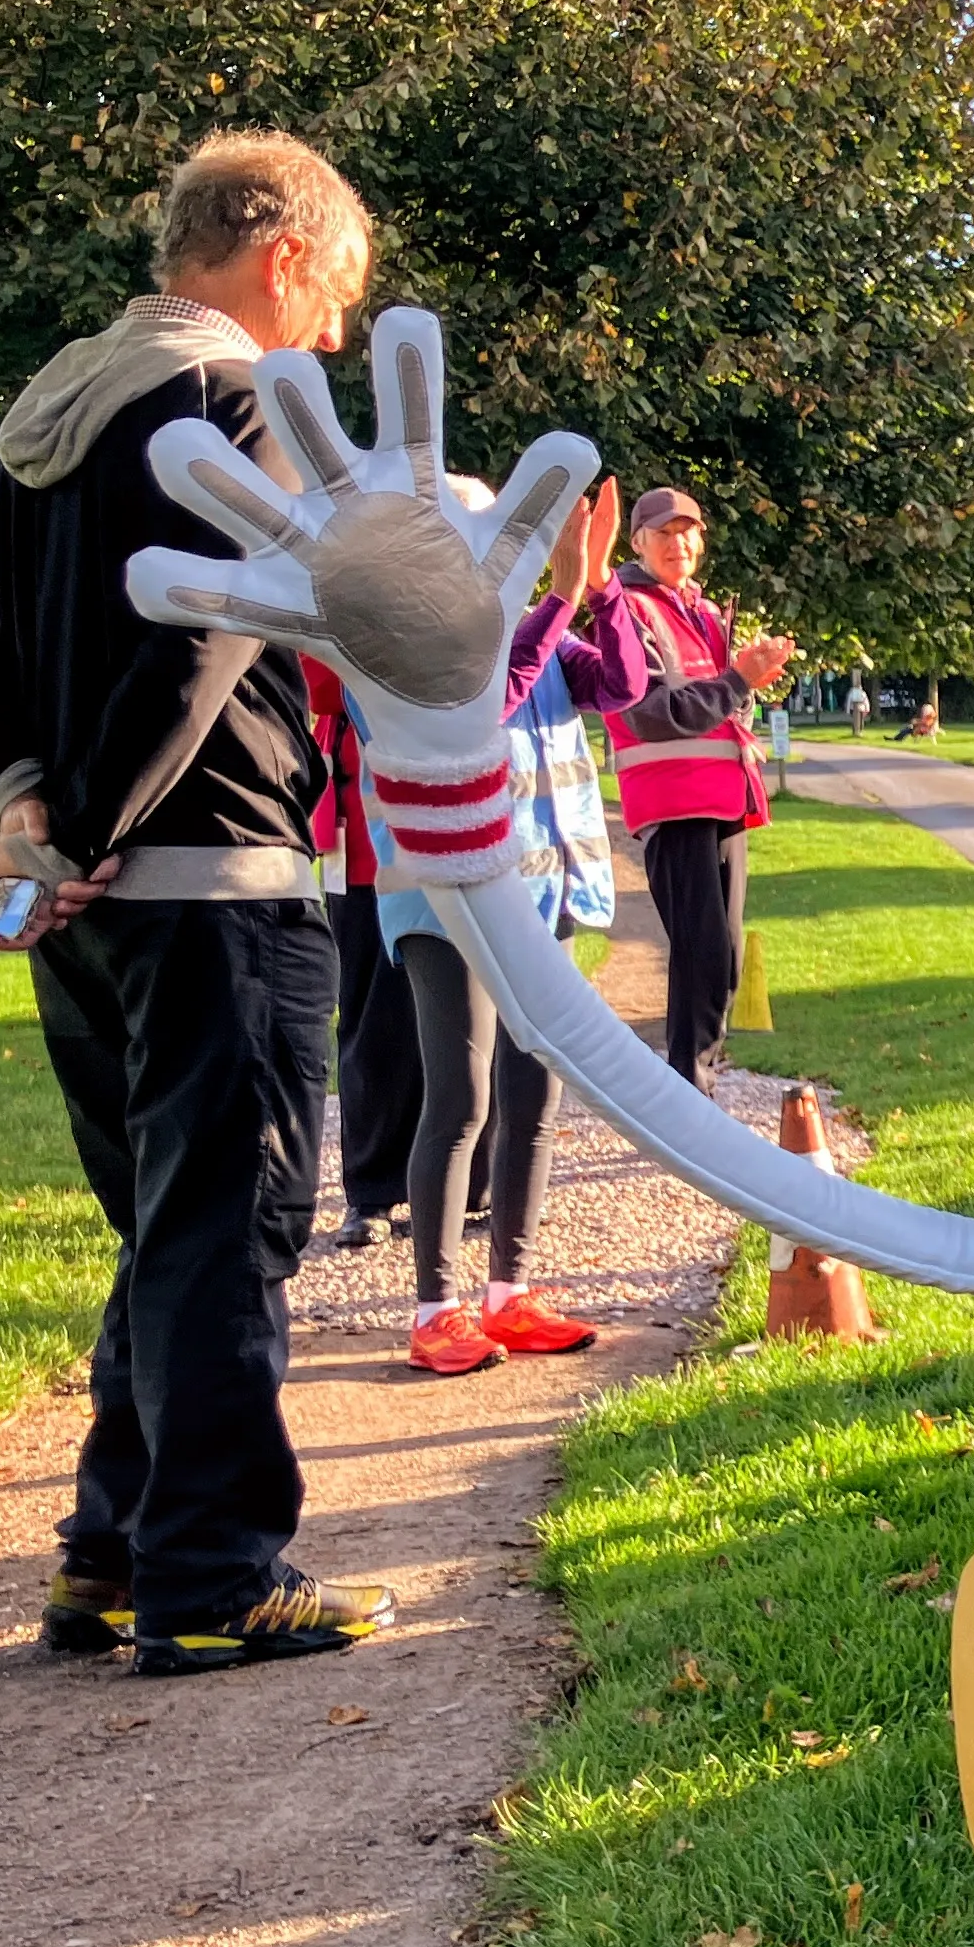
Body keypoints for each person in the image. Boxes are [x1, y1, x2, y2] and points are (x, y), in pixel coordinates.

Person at [0, 128, 393, 1676]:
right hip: (215, 880)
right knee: (230, 1228)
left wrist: (25, 820)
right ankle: (214, 1573)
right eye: (332, 298)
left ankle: (109, 1556)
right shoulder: (247, 400)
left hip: (89, 904)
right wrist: (99, 830)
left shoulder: (48, 412)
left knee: (159, 1228)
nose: (331, 335)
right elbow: (204, 641)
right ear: (279, 261)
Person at [372, 488, 642, 1374]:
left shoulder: (542, 627)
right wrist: (562, 593)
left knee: (535, 1097)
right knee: (462, 1098)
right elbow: (482, 700)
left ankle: (508, 1294)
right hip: (444, 904)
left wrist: (600, 591)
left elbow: (623, 684)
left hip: (539, 896)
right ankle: (434, 1308)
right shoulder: (411, 637)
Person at [598, 485, 790, 1087]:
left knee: (723, 959)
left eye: (688, 531)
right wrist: (739, 678)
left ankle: (697, 1079)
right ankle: (690, 1089)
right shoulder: (628, 609)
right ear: (638, 544)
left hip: (723, 799)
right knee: (701, 954)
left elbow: (721, 706)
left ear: (701, 541)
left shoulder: (703, 611)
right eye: (663, 533)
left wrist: (750, 680)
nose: (677, 542)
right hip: (673, 802)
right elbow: (649, 712)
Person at [305, 656, 421, 1255]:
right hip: (365, 857)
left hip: (451, 848)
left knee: (462, 1028)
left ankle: (468, 1186)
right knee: (373, 1025)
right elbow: (318, 682)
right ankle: (374, 1191)